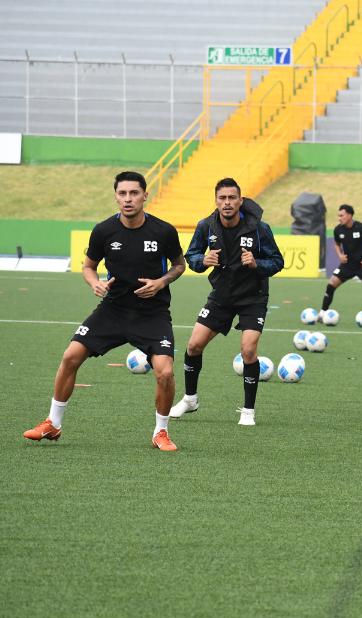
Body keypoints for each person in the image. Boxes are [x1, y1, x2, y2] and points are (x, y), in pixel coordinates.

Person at [23, 171, 185, 450]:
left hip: (152, 313)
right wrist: (94, 282)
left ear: (145, 195)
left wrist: (161, 282)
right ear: (116, 196)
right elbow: (88, 266)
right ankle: (53, 423)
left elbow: (180, 265)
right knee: (71, 355)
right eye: (122, 193)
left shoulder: (163, 231)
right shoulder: (104, 231)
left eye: (134, 193)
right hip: (113, 310)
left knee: (165, 372)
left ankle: (161, 432)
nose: (128, 199)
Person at [168, 178, 284, 426]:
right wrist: (203, 261)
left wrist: (257, 263)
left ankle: (248, 411)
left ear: (240, 201)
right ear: (216, 201)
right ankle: (190, 399)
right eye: (222, 198)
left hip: (253, 297)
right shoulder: (205, 227)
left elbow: (277, 261)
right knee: (193, 346)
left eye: (232, 198)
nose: (227, 203)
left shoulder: (259, 229)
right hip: (221, 295)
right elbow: (192, 256)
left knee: (249, 350)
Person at [320, 204, 362, 326]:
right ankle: (322, 313)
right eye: (338, 216)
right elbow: (336, 244)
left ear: (349, 215)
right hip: (347, 266)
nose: (339, 218)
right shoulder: (338, 229)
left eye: (341, 215)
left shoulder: (361, 228)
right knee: (331, 284)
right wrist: (339, 255)